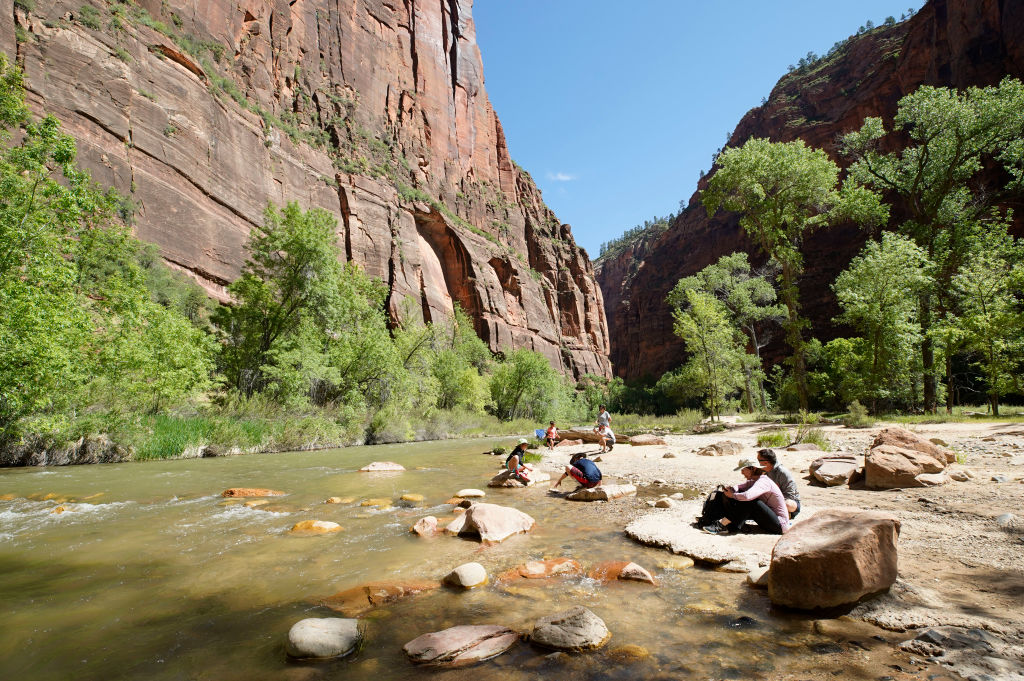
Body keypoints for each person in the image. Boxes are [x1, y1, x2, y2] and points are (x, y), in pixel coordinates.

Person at [702, 458, 790, 535]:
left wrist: (733, 495)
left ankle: (723, 526)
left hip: (779, 525)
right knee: (726, 495)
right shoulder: (753, 481)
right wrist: (732, 490)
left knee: (751, 501)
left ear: (753, 468)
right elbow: (739, 487)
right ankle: (708, 519)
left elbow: (748, 496)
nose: (741, 472)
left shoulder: (763, 481)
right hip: (766, 520)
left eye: (743, 469)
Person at [757, 448, 801, 518]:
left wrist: (774, 501)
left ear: (766, 462)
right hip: (770, 501)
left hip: (786, 502)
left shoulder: (782, 472)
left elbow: (790, 495)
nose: (757, 463)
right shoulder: (762, 471)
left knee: (788, 504)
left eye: (759, 460)